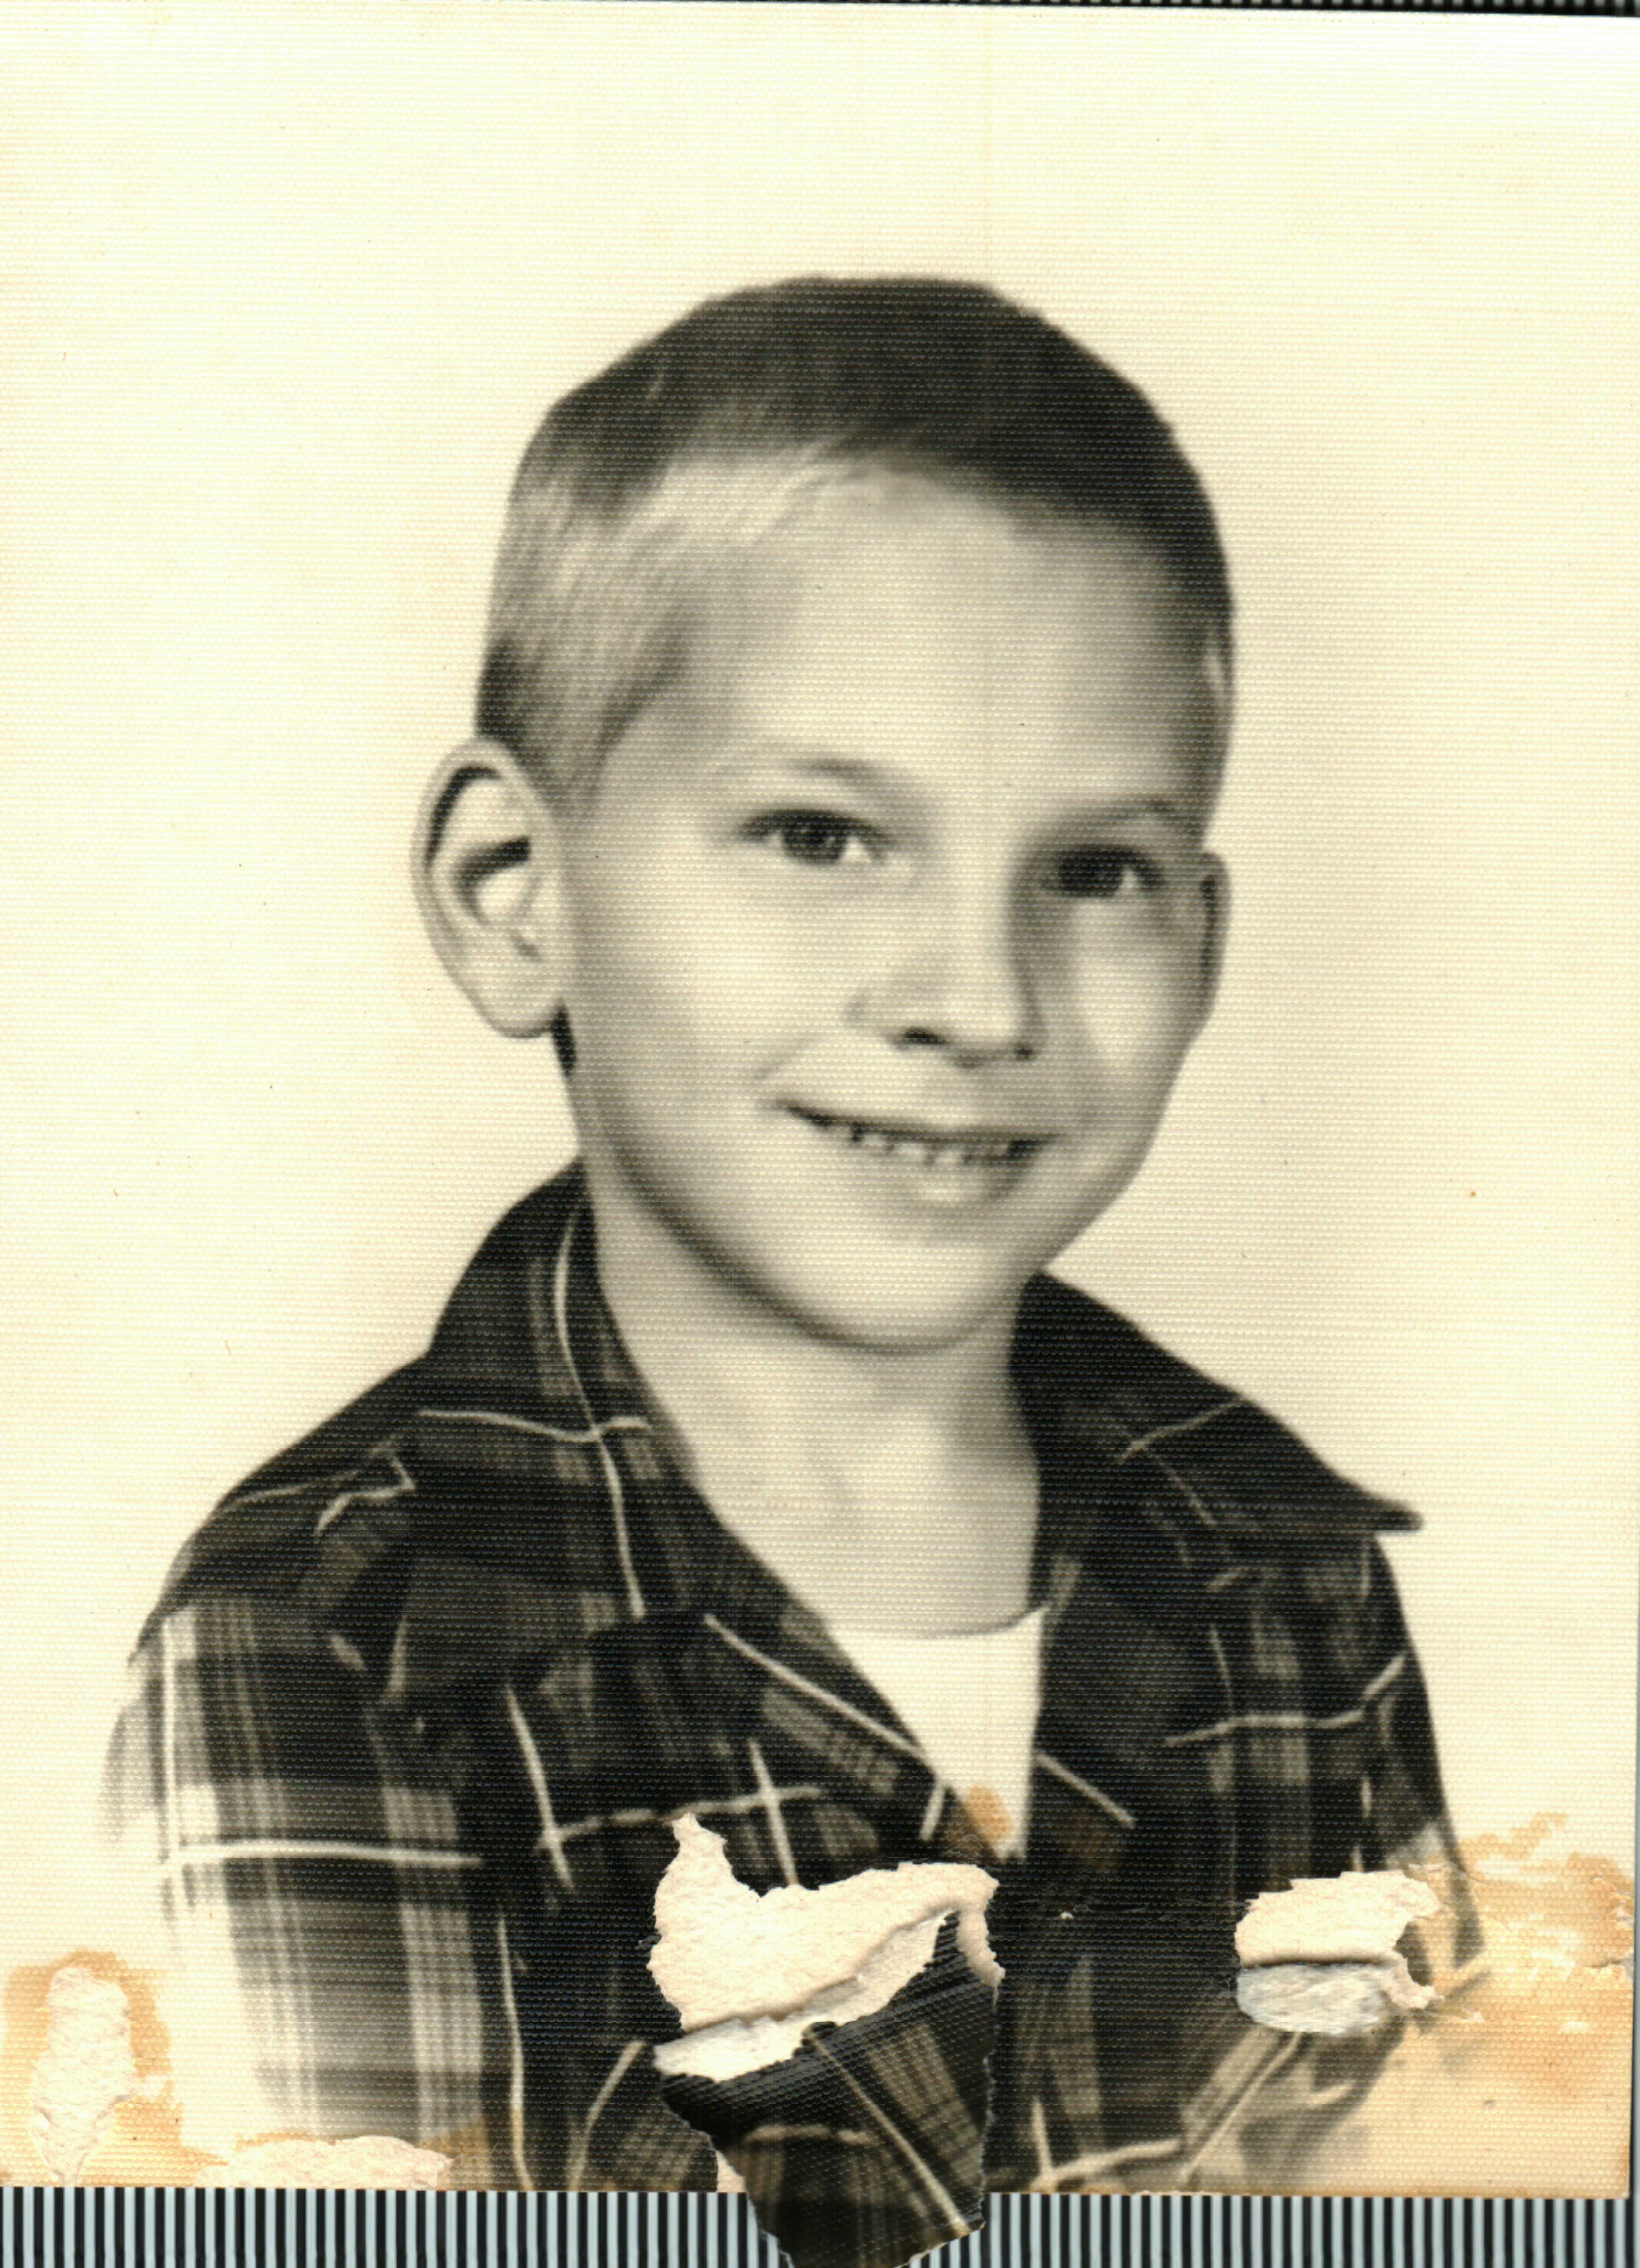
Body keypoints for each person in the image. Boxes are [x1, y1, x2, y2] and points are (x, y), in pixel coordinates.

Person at [105, 280, 1479, 2266]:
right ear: (516, 892)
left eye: (1093, 870)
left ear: (1203, 935)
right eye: (825, 835)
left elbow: (1455, 2174)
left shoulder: (1283, 1564)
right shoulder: (326, 1641)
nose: (979, 998)